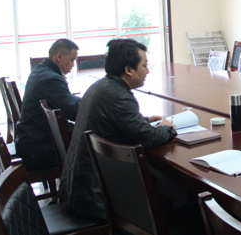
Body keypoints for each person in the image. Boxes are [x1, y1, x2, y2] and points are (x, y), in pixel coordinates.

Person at [59, 38, 176, 219]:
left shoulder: (101, 87)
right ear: (128, 70)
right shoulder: (119, 96)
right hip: (95, 197)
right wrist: (168, 129)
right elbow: (147, 138)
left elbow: (113, 119)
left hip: (79, 188)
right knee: (168, 202)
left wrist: (144, 120)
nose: (147, 71)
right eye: (144, 66)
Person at [15, 39, 80, 174]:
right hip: (39, 153)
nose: (73, 65)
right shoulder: (51, 79)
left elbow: (68, 103)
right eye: (72, 60)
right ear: (59, 57)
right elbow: (74, 111)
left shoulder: (41, 70)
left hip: (30, 143)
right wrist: (94, 101)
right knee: (91, 156)